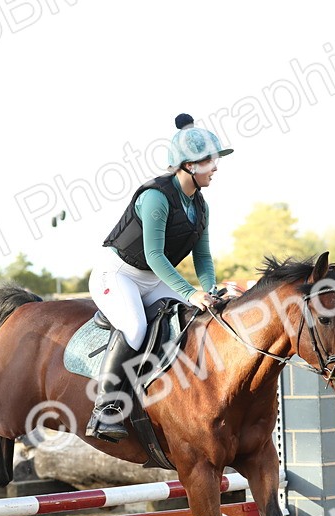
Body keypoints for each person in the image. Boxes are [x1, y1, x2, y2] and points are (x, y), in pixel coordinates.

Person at [86, 113, 241, 442]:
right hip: (117, 273)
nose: (215, 168)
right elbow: (155, 255)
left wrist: (210, 290)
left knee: (187, 319)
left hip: (152, 278)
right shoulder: (156, 197)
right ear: (188, 165)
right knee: (135, 327)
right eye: (209, 161)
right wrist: (190, 292)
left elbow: (202, 257)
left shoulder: (200, 206)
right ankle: (105, 409)